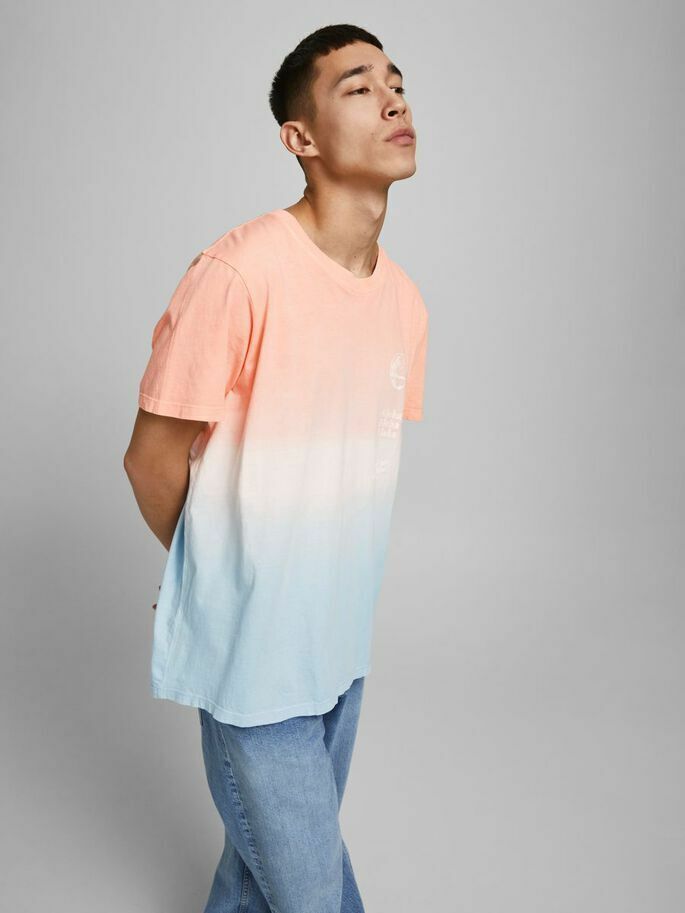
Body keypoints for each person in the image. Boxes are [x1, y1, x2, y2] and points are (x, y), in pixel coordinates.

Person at [123, 22, 429, 913]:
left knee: (255, 874)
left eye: (396, 82)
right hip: (253, 654)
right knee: (312, 889)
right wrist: (218, 580)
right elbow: (149, 459)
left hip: (338, 644)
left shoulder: (404, 301)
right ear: (299, 138)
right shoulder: (240, 273)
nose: (392, 98)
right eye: (357, 87)